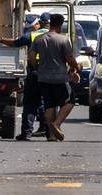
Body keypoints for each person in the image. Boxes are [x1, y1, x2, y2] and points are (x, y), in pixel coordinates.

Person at [25, 12, 81, 142]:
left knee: (50, 105)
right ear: (60, 25)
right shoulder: (63, 40)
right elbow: (69, 58)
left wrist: (38, 69)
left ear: (50, 24)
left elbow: (31, 57)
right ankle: (57, 124)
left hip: (43, 78)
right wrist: (75, 68)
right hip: (60, 78)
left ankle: (51, 135)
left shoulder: (39, 39)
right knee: (70, 101)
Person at [1, 13, 47, 140]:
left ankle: (27, 132)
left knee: (30, 103)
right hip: (51, 74)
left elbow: (16, 43)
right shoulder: (59, 37)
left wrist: (2, 40)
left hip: (36, 71)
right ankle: (49, 131)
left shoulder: (32, 35)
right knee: (49, 102)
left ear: (39, 23)